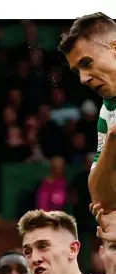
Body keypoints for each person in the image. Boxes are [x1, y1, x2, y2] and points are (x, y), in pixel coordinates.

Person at [58, 13, 116, 210]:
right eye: (77, 71)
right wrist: (112, 139)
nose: (83, 79)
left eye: (87, 63)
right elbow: (100, 197)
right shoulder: (107, 113)